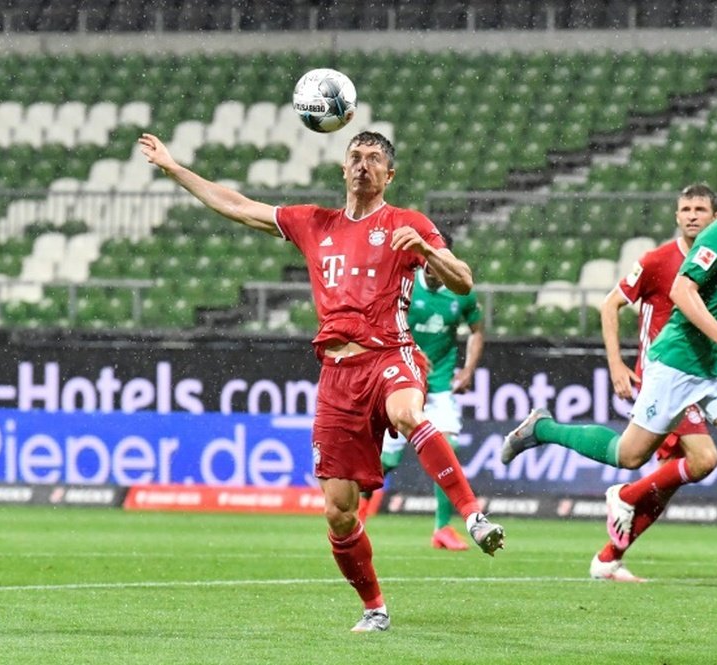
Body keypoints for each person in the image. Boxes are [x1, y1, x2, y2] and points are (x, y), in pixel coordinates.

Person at [137, 130, 504, 633]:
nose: (363, 165)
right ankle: (375, 607)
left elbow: (463, 279)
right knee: (338, 511)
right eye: (355, 156)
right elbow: (240, 207)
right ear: (342, 167)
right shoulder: (315, 223)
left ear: (389, 175)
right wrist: (175, 169)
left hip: (390, 355)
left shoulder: (406, 224)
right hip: (337, 376)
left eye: (375, 159)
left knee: (408, 412)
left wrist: (427, 249)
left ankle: (472, 515)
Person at [503, 167, 717, 585]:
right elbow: (682, 291)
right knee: (630, 455)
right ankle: (545, 429)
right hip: (677, 363)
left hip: (715, 365)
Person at [590, 183, 717, 582]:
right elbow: (610, 304)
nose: (693, 215)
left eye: (701, 208)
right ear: (677, 216)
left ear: (715, 217)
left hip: (696, 377)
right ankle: (623, 495)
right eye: (686, 208)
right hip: (664, 378)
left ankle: (608, 560)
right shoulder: (658, 261)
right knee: (704, 460)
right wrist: (616, 365)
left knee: (663, 484)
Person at [370, 254, 486, 551]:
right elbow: (381, 326)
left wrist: (469, 370)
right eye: (428, 264)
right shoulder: (403, 287)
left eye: (440, 263)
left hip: (438, 390)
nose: (433, 271)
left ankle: (442, 529)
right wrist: (411, 352)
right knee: (385, 462)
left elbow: (477, 331)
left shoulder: (462, 294)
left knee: (448, 446)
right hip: (403, 386)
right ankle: (354, 517)